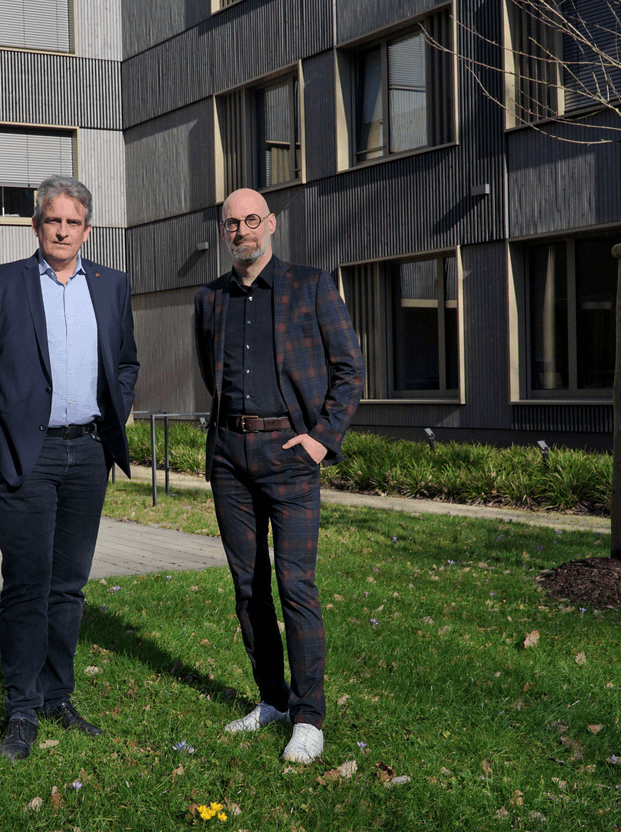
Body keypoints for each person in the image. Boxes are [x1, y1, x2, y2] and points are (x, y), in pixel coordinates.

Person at [0, 175, 138, 762]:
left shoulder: (111, 285)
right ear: (37, 225)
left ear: (86, 228)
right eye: (52, 220)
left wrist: (113, 414)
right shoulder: (1, 285)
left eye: (72, 222)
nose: (62, 230)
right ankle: (21, 709)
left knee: (69, 586)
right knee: (28, 585)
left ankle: (58, 695)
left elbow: (125, 362)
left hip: (89, 453)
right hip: (26, 454)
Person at [193, 188, 364, 764]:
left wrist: (321, 439)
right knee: (248, 587)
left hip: (291, 455)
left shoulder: (311, 285)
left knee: (296, 585)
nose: (243, 230)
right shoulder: (209, 298)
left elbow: (349, 368)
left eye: (251, 220)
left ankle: (309, 716)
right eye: (232, 223)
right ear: (224, 233)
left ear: (270, 224)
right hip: (229, 458)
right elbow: (207, 367)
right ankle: (272, 700)